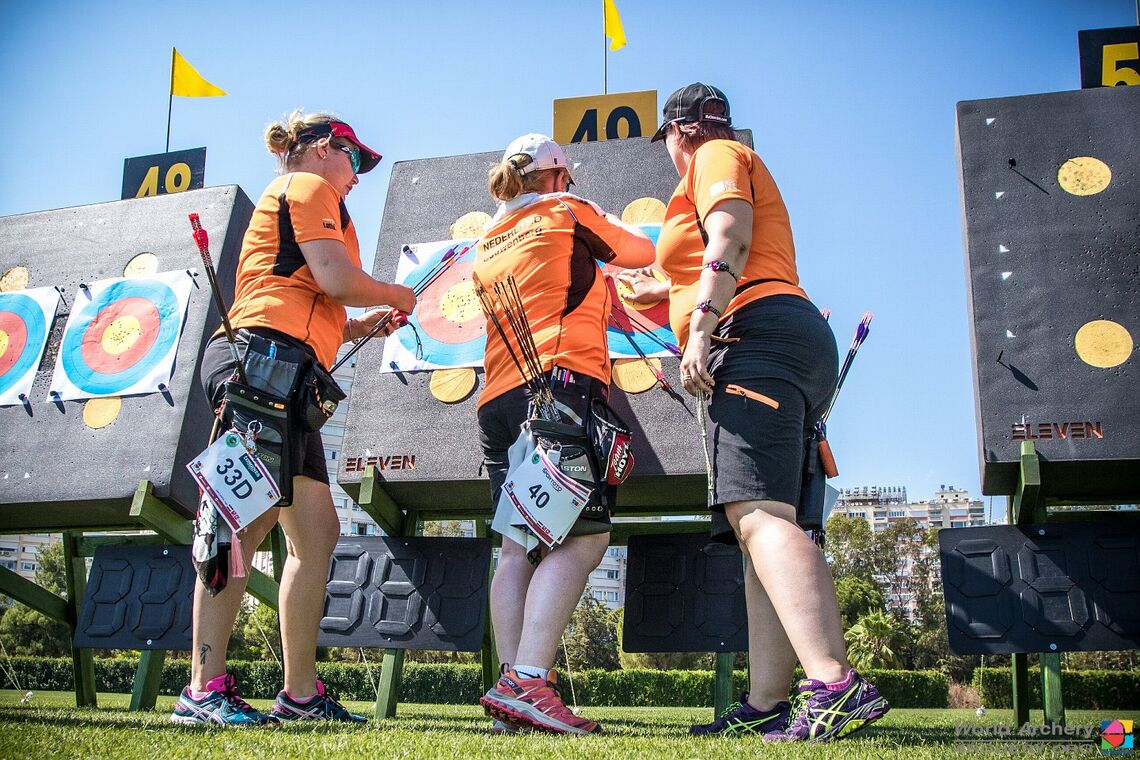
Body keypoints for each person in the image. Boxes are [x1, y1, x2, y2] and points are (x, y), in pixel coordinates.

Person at [634, 83, 890, 742]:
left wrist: (700, 327)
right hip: (778, 336)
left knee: (760, 518)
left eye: (666, 140)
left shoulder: (713, 156)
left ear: (678, 131)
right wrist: (657, 290)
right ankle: (768, 703)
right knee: (760, 528)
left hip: (754, 334)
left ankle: (834, 683)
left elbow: (730, 235)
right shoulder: (715, 165)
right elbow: (696, 263)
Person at [171, 111, 416, 726]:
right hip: (262, 367)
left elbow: (310, 294)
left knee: (317, 533)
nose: (356, 176)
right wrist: (394, 294)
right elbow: (334, 278)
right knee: (239, 526)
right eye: (353, 160)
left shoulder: (311, 196)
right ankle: (203, 690)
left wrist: (359, 324)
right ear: (324, 148)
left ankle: (300, 694)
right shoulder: (306, 186)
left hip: (286, 372)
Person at [475, 134, 655, 735]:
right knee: (583, 537)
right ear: (556, 177)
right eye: (569, 178)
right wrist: (591, 212)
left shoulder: (488, 240)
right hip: (559, 388)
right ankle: (529, 681)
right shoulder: (565, 210)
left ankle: (512, 692)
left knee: (516, 546)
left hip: (500, 400)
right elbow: (638, 251)